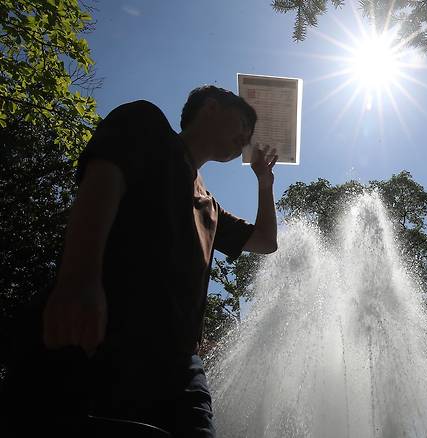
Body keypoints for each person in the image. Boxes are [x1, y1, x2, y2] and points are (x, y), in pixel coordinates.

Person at [0, 85, 278, 437]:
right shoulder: (148, 126)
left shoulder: (210, 206)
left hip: (180, 367)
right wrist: (79, 280)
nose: (246, 138)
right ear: (210, 107)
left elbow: (266, 242)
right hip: (103, 333)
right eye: (242, 123)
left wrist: (264, 184)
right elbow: (101, 182)